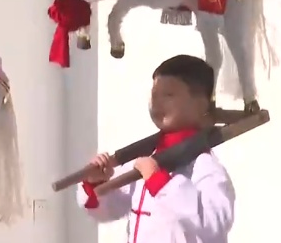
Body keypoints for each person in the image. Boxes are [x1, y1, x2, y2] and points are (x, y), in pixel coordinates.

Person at [77, 55, 235, 243]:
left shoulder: (205, 167)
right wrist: (96, 184)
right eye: (154, 95)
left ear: (200, 104)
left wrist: (162, 183)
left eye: (168, 96)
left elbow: (214, 223)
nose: (157, 103)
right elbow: (108, 210)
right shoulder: (148, 159)